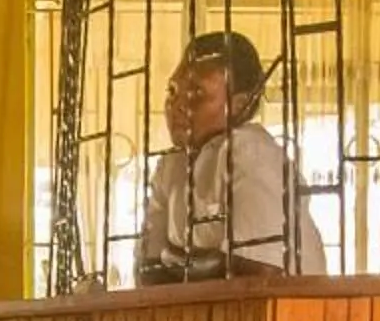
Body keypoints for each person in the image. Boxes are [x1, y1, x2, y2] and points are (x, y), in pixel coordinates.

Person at [137, 30, 329, 283]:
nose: (177, 105)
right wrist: (210, 262)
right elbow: (148, 272)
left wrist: (174, 261)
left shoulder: (251, 153)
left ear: (239, 105)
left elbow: (261, 273)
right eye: (172, 91)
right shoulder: (171, 165)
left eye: (196, 93)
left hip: (287, 306)